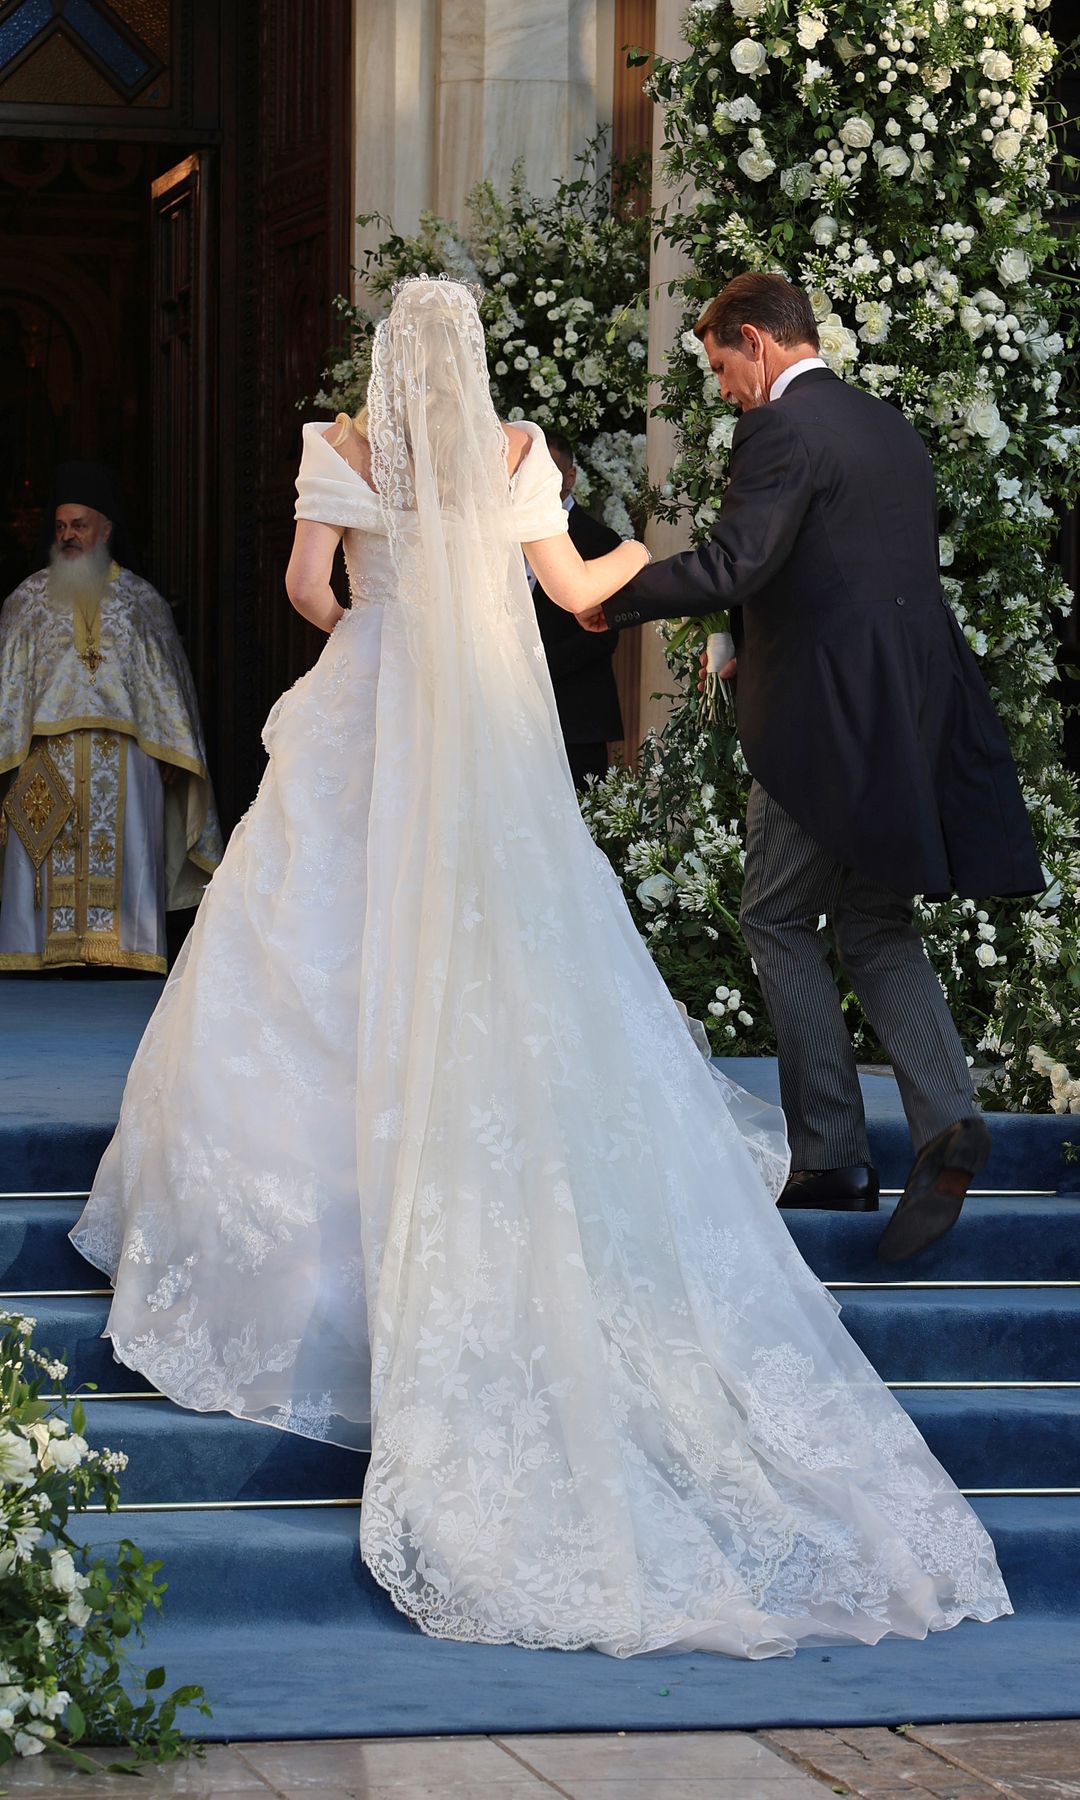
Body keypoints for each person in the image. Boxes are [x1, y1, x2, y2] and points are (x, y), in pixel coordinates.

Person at [71, 278, 1009, 1658]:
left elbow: (304, 590)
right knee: (516, 940)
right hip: (492, 728)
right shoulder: (522, 458)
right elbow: (571, 587)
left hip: (372, 709)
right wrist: (545, 609)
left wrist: (387, 639)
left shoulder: (341, 447)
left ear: (385, 361)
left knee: (308, 943)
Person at [593, 272, 1043, 1263]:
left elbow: (736, 559)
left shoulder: (779, 431)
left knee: (776, 915)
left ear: (754, 341)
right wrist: (742, 633)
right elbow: (833, 562)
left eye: (721, 367)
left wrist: (614, 596)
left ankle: (833, 1157)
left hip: (823, 723)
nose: (723, 392)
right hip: (914, 710)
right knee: (877, 920)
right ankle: (946, 1116)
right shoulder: (885, 425)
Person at [0, 462, 222, 974]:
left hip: (128, 761)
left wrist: (176, 751)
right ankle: (35, 956)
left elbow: (168, 688)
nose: (68, 535)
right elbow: (10, 689)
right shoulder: (26, 600)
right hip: (44, 759)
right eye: (60, 527)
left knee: (127, 858)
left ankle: (125, 956)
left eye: (78, 524)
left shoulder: (143, 603)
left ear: (105, 529)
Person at [529, 433, 623, 787]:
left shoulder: (602, 541)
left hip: (576, 716)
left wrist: (536, 668)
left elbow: (603, 636)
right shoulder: (499, 539)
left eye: (546, 472)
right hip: (508, 715)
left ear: (570, 478)